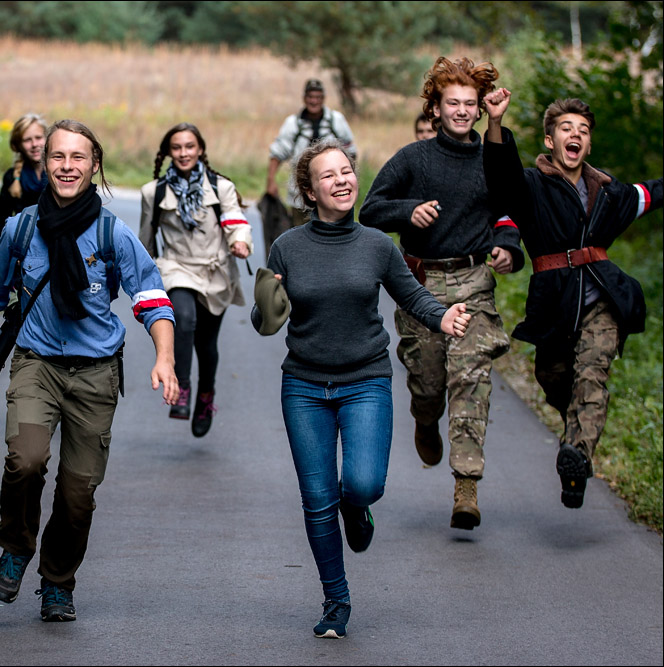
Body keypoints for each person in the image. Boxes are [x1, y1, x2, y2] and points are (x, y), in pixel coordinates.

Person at [253, 139, 471, 639]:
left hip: (365, 381)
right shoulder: (288, 246)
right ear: (310, 191)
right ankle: (336, 598)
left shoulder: (377, 245)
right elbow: (265, 322)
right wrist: (266, 301)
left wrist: (443, 317)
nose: (342, 180)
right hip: (304, 386)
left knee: (364, 484)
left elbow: (412, 295)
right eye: (328, 175)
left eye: (346, 171)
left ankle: (356, 507)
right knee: (316, 499)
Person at [0, 119, 180, 622]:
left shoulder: (113, 233)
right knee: (25, 460)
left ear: (94, 165)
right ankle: (16, 547)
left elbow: (152, 298)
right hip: (36, 364)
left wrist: (165, 357)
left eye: (78, 157)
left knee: (78, 491)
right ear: (44, 162)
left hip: (95, 374)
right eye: (58, 156)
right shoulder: (21, 229)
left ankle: (57, 582)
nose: (67, 167)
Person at [359, 57, 525, 531]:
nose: (462, 111)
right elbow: (370, 210)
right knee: (429, 383)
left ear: (480, 109)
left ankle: (466, 484)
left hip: (473, 283)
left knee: (470, 377)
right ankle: (425, 417)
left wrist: (508, 245)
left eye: (470, 103)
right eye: (453, 103)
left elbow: (512, 202)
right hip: (421, 288)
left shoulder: (493, 154)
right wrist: (408, 212)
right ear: (435, 108)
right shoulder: (414, 159)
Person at [483, 91, 663, 508]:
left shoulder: (609, 191)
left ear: (588, 144)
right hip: (553, 303)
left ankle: (577, 461)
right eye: (566, 128)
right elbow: (501, 174)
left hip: (603, 297)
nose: (575, 134)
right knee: (553, 377)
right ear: (551, 140)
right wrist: (494, 122)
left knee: (592, 372)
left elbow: (650, 193)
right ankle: (579, 428)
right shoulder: (531, 184)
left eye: (582, 130)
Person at [138, 122, 253, 436]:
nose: (183, 153)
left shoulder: (220, 187)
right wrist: (141, 277)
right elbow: (145, 239)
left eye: (189, 146)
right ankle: (182, 388)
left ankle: (206, 396)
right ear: (168, 152)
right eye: (176, 147)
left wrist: (240, 242)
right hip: (176, 268)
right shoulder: (154, 192)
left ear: (200, 149)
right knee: (184, 318)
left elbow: (236, 220)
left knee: (207, 344)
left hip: (215, 273)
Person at [267, 78, 358, 227]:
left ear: (323, 98)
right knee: (301, 234)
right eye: (310, 97)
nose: (314, 101)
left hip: (332, 196)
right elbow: (277, 153)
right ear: (304, 98)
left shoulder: (336, 120)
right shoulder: (293, 123)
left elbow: (351, 153)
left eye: (317, 97)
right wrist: (271, 181)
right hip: (299, 198)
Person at [0, 114, 48, 240]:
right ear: (18, 145)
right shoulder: (12, 177)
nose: (34, 144)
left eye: (38, 138)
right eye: (27, 140)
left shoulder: (59, 173)